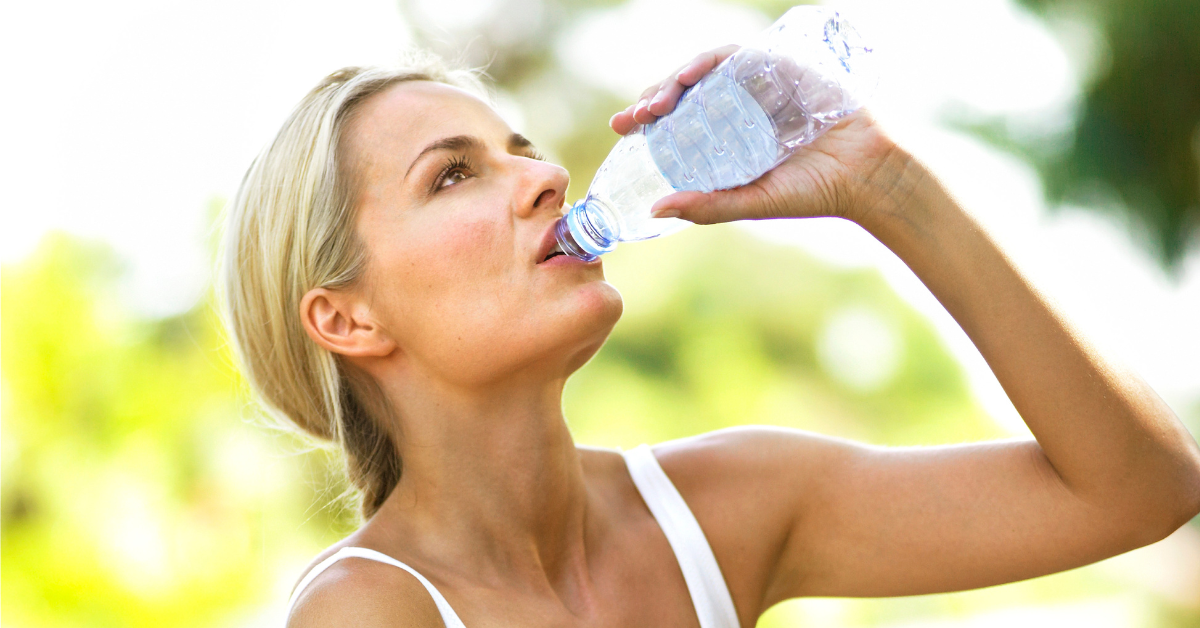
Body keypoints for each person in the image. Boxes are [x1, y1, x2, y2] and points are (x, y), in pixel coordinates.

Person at [219, 47, 1200, 628]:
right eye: (452, 175)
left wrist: (885, 185)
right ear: (346, 317)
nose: (548, 176)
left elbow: (1141, 487)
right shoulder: (367, 613)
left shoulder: (723, 510)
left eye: (522, 149)